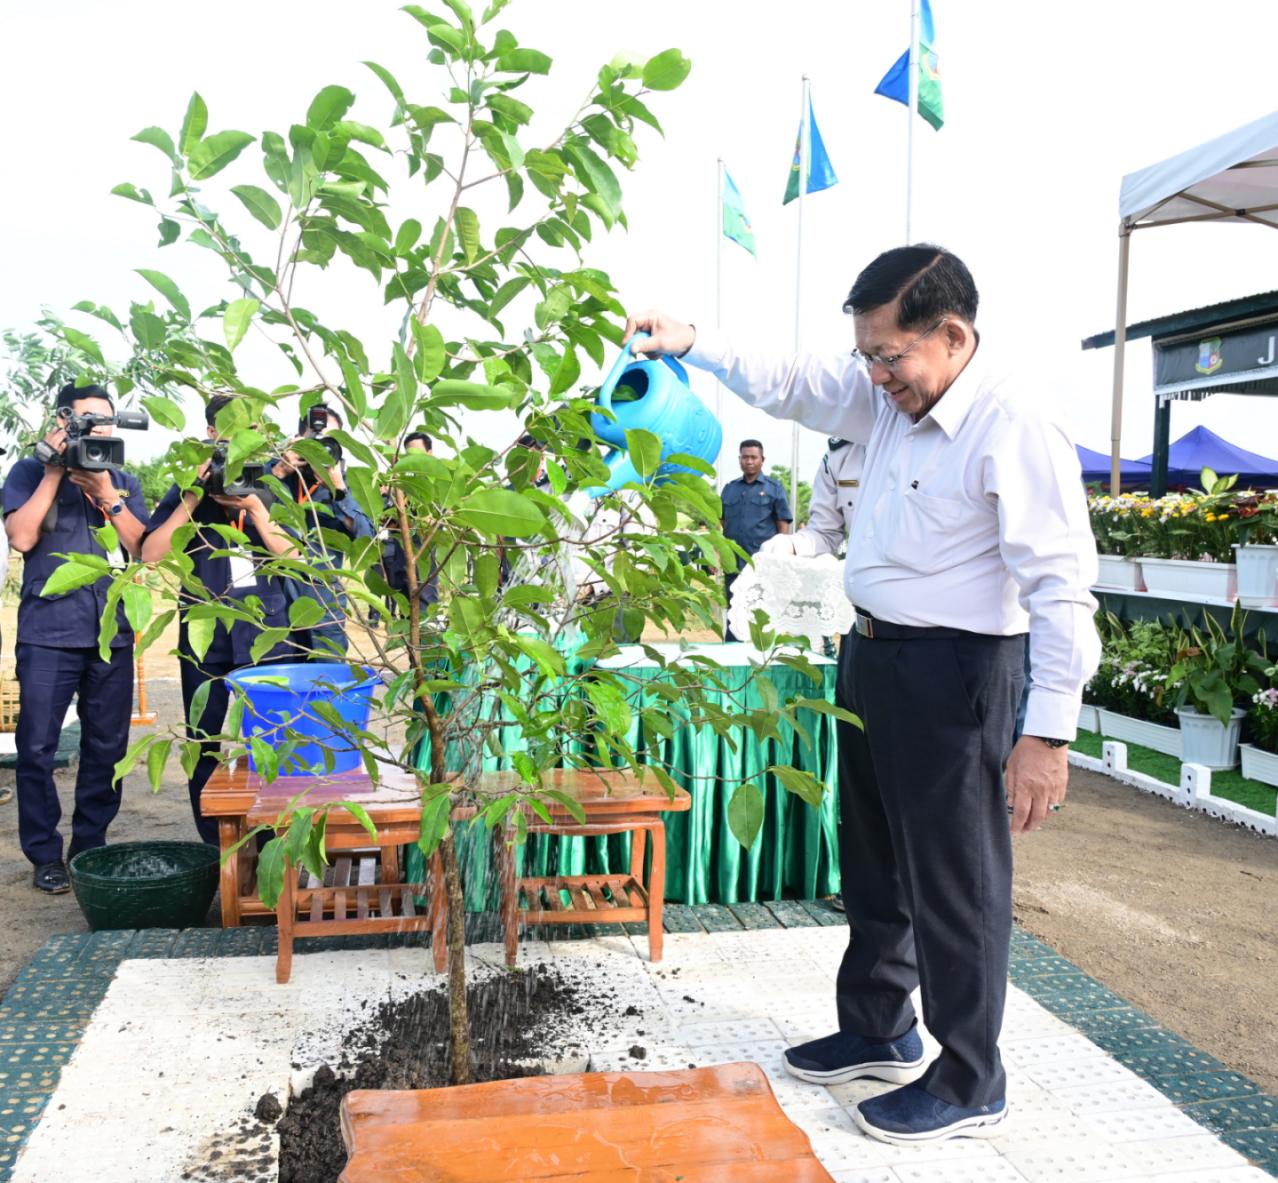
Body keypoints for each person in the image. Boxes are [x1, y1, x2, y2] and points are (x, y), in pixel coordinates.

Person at [624, 243, 1100, 1145]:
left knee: (955, 878)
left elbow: (1063, 588)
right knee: (875, 859)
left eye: (890, 356)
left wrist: (1048, 734)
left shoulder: (1013, 421)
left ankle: (971, 1077)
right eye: (867, 356)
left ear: (951, 335)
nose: (876, 376)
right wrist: (694, 341)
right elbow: (793, 379)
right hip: (872, 654)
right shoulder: (886, 397)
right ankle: (880, 1027)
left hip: (959, 670)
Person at [2, 384, 151, 893]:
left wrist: (106, 495)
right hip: (48, 634)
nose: (96, 429)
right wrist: (53, 470)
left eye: (104, 420)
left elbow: (143, 550)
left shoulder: (123, 481)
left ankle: (89, 846)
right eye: (85, 420)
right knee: (36, 748)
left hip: (112, 634)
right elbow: (22, 537)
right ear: (62, 420)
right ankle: (44, 855)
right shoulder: (27, 472)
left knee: (107, 747)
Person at [141, 396, 299, 845]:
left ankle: (272, 842)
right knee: (203, 739)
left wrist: (258, 511)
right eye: (229, 427)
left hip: (265, 632)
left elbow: (298, 559)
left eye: (250, 428)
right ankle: (215, 845)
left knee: (270, 737)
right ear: (210, 433)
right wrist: (193, 496)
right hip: (204, 633)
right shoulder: (188, 487)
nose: (240, 438)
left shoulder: (270, 484)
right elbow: (151, 554)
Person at [759, 437, 866, 912]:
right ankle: (863, 883)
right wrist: (792, 544)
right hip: (863, 634)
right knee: (861, 772)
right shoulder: (841, 454)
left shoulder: (931, 434)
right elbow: (826, 531)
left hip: (939, 636)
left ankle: (925, 890)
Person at [273, 404, 374, 656]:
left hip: (324, 605)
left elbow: (367, 539)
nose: (321, 450)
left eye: (329, 441)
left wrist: (338, 490)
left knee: (327, 677)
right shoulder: (276, 473)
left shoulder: (349, 485)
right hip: (275, 605)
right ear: (299, 440)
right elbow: (247, 509)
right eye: (314, 442)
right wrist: (279, 471)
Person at [720, 439, 792, 641]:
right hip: (734, 562)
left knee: (762, 609)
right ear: (739, 459)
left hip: (762, 562)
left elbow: (782, 524)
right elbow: (722, 522)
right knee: (734, 607)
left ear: (762, 460)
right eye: (745, 457)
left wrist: (780, 558)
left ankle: (762, 649)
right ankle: (732, 650)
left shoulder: (774, 488)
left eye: (753, 457)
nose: (749, 461)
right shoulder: (729, 489)